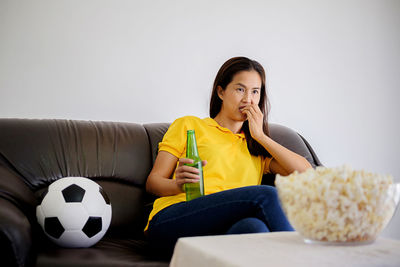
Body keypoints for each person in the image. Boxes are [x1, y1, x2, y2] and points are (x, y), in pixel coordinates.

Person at [145, 56, 312, 257]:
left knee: (254, 228)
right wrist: (177, 185)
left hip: (214, 236)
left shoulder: (255, 147)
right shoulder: (189, 125)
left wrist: (260, 136)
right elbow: (153, 182)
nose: (248, 99)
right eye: (240, 89)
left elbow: (306, 173)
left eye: (255, 92)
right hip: (172, 223)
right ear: (221, 92)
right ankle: (304, 260)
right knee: (266, 194)